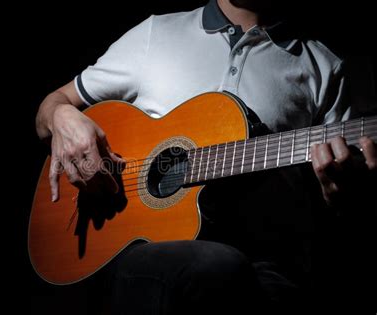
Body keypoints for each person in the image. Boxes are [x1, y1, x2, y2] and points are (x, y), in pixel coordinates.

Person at [35, 0, 376, 313]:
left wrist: (342, 197)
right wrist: (61, 117)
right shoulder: (158, 32)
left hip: (263, 262)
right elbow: (50, 108)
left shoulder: (324, 67)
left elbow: (346, 208)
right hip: (128, 252)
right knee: (214, 266)